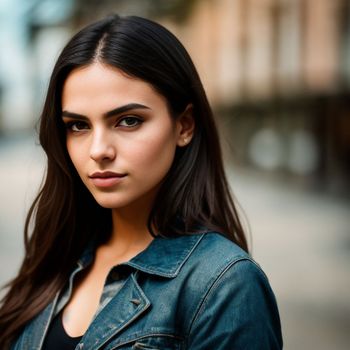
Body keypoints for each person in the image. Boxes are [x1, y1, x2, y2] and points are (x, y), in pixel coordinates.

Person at [0, 15, 282, 349]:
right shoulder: (59, 254)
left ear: (184, 126)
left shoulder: (224, 284)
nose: (98, 151)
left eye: (128, 121)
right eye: (78, 126)